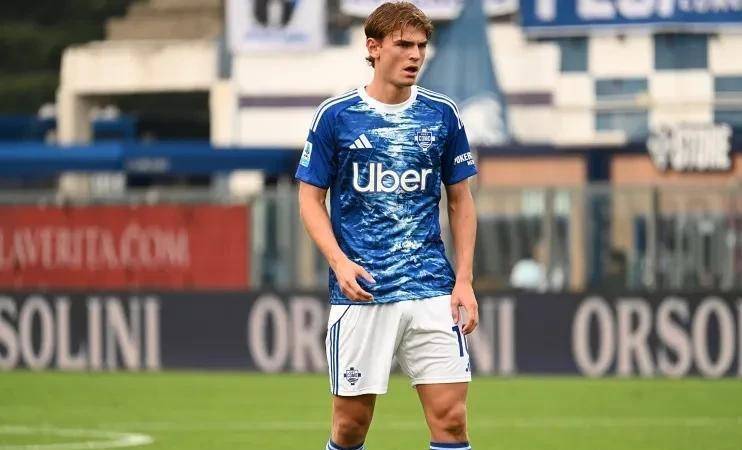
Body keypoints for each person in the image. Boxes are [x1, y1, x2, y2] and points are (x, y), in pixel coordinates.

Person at [295, 3, 479, 450]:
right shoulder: (336, 115)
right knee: (350, 426)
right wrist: (339, 263)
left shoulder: (442, 114)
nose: (415, 55)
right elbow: (309, 199)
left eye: (421, 46)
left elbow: (460, 200)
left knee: (452, 421)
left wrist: (464, 280)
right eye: (403, 44)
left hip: (432, 290)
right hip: (363, 292)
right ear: (374, 48)